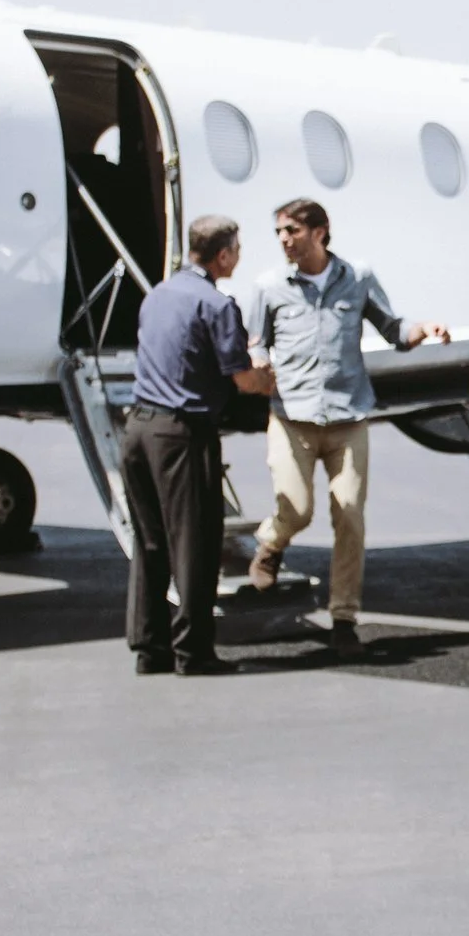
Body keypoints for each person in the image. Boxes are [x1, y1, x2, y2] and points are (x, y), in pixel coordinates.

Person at [243, 196, 451, 653]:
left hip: (349, 414)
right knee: (297, 508)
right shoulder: (268, 286)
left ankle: (343, 618)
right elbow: (257, 345)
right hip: (291, 415)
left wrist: (424, 330)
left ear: (319, 232)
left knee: (350, 516)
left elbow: (393, 328)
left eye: (291, 231)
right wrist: (256, 366)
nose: (283, 240)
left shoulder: (357, 277)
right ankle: (271, 544)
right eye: (278, 232)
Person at [123, 215, 279, 676]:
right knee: (194, 543)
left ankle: (149, 648)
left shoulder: (158, 294)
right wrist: (269, 379)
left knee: (150, 542)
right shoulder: (216, 304)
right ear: (224, 254)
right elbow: (243, 378)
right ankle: (193, 651)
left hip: (138, 429)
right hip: (181, 435)